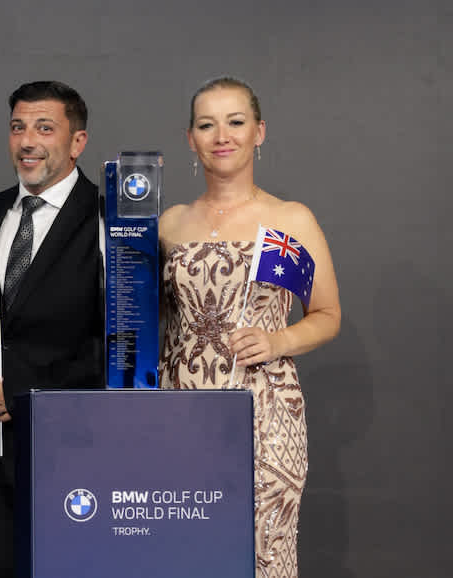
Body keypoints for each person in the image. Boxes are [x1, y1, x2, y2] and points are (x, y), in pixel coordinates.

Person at [158, 76, 341, 578]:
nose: (223, 135)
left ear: (259, 131)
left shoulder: (289, 219)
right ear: (189, 139)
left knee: (261, 556)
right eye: (207, 124)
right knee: (185, 554)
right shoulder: (169, 223)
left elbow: (327, 315)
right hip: (180, 415)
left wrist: (277, 339)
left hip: (264, 415)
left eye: (236, 122)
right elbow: (148, 317)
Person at [0, 81, 104, 578]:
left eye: (45, 128)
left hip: (70, 457)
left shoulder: (111, 220)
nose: (27, 141)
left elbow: (122, 347)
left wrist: (34, 394)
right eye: (18, 127)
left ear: (78, 142)